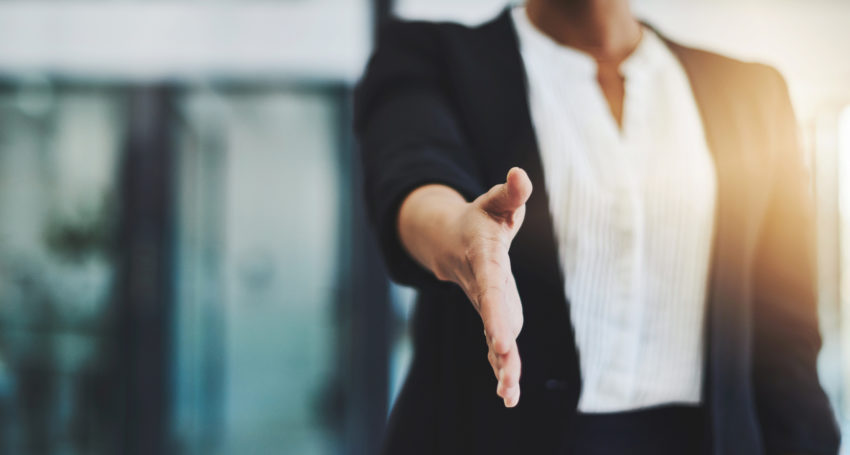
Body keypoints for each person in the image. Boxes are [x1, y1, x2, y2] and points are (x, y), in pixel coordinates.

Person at [353, 0, 841, 453]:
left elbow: (786, 340)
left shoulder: (752, 94)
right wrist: (460, 235)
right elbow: (414, 173)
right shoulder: (430, 56)